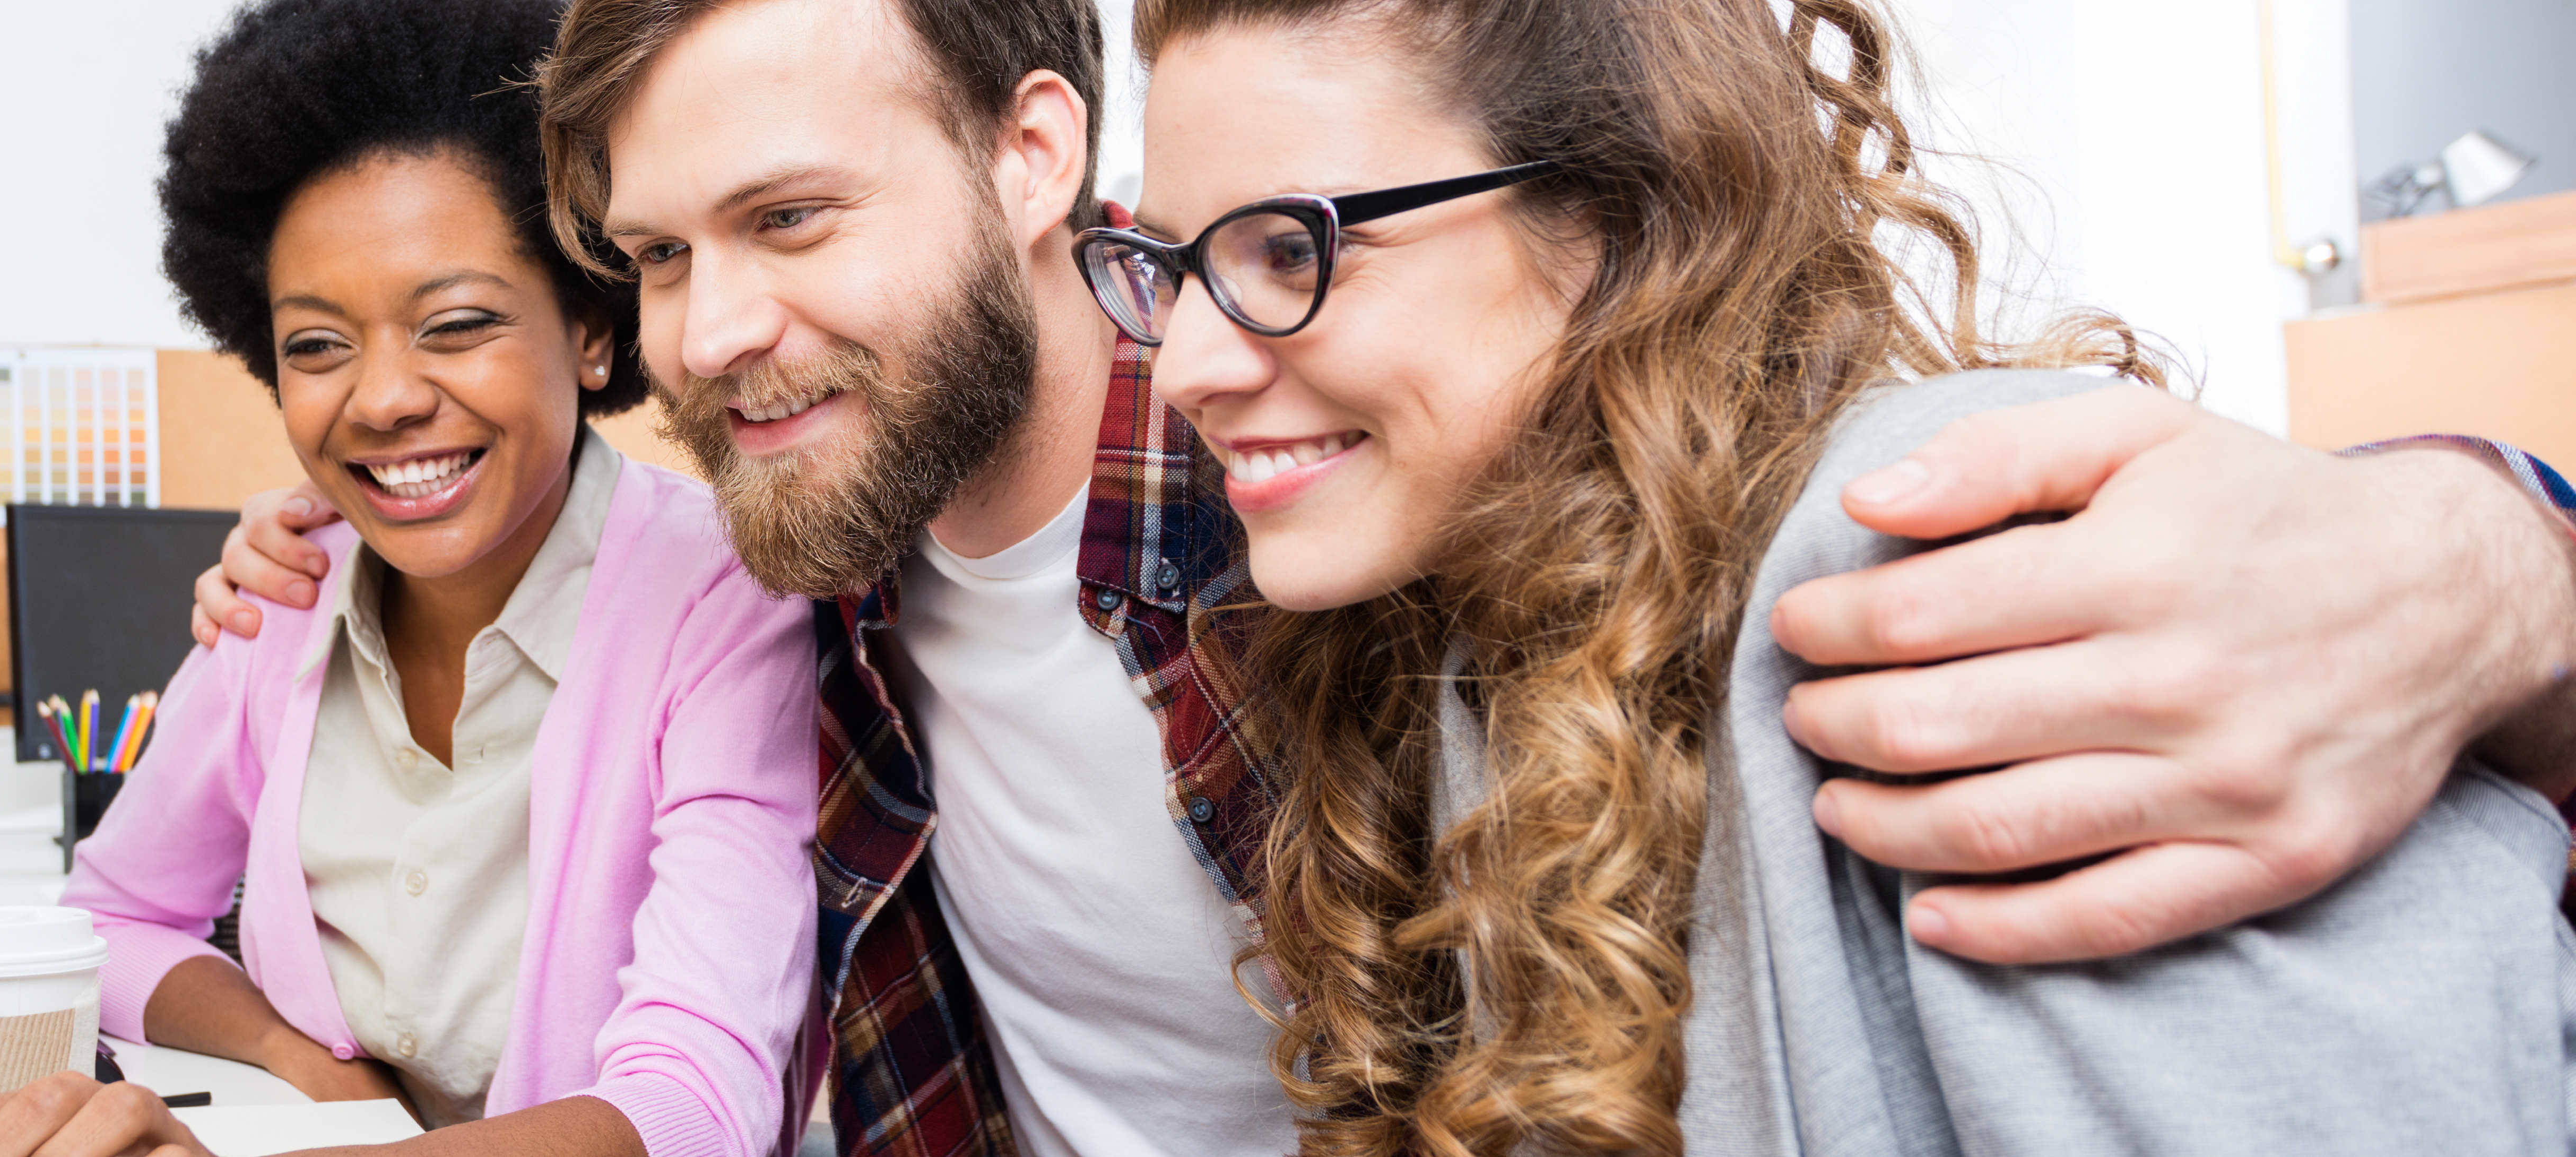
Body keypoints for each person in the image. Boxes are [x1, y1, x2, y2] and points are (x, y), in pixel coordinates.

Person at [194, 1, 2576, 1155]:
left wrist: (2500, 540)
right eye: (653, 258)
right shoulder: (803, 568)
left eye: (792, 221)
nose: (705, 337)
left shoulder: (1338, 498)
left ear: (1039, 161)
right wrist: (293, 572)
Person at [1112, 0, 2576, 1152]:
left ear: (1616, 217)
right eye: (1170, 266)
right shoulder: (1460, 613)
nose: (1182, 364)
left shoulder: (1947, 562)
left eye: (1287, 247)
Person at [0, 1, 818, 1154]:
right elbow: (115, 915)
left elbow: (694, 1103)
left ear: (589, 327)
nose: (380, 398)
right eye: (317, 345)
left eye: (456, 322)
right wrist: (300, 1060)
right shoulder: (282, 593)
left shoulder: (726, 596)